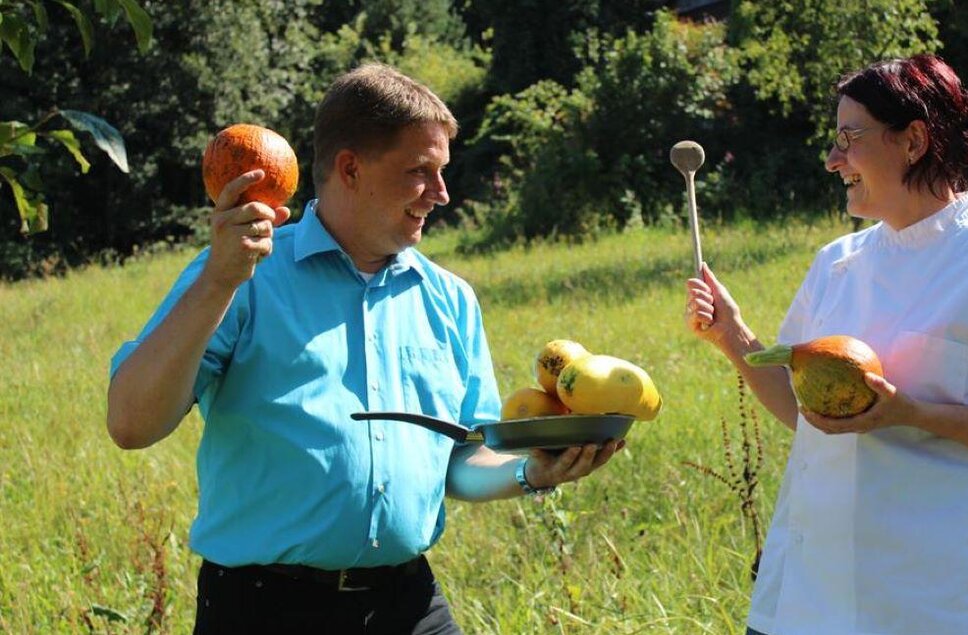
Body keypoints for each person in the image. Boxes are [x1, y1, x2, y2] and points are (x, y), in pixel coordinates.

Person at [107, 62, 622, 634]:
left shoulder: (450, 300)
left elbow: (463, 459)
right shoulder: (239, 275)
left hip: (407, 601)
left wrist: (534, 471)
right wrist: (219, 281)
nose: (442, 193)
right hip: (262, 609)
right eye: (419, 171)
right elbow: (131, 423)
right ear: (350, 168)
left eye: (442, 171)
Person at [684, 54, 968, 635]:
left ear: (914, 140)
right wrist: (733, 336)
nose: (832, 158)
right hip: (806, 603)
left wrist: (908, 413)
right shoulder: (837, 264)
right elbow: (807, 412)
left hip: (935, 606)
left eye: (849, 137)